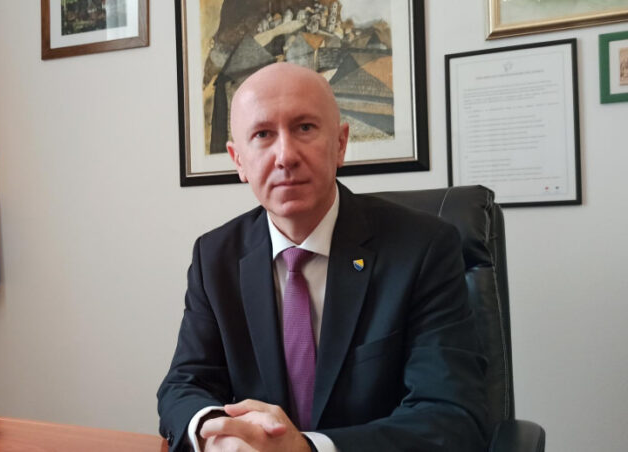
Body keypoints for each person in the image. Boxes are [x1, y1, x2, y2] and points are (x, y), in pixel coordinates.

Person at [157, 62, 487, 452]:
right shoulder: (215, 257)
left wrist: (307, 448)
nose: (285, 156)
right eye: (262, 134)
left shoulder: (423, 247)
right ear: (238, 160)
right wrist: (214, 434)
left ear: (341, 144)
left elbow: (449, 416)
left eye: (305, 128)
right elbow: (184, 385)